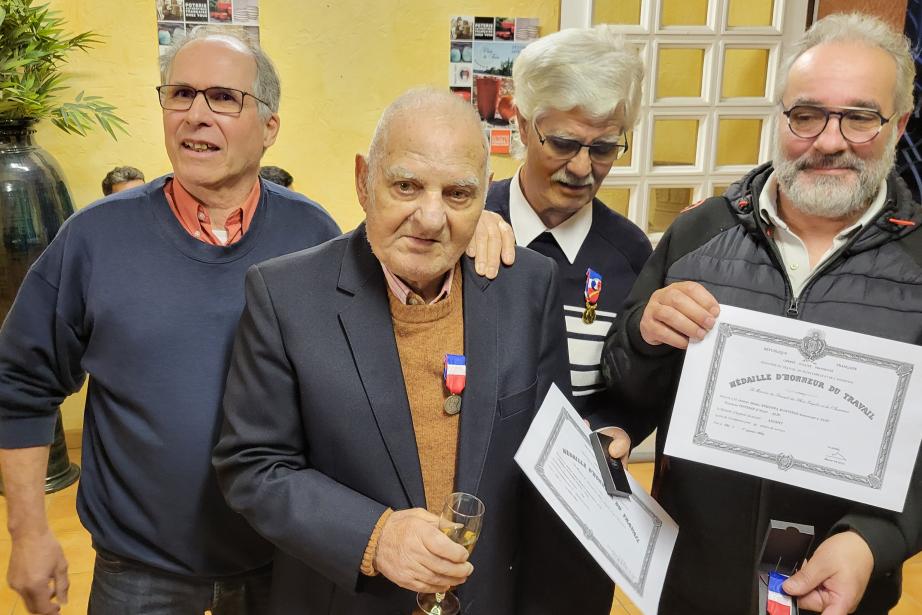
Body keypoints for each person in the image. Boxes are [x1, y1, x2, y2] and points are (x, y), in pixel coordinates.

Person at [213, 88, 614, 614]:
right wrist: (375, 537)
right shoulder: (285, 296)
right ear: (363, 180)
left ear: (485, 194)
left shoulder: (527, 287)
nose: (430, 218)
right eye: (406, 185)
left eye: (458, 194)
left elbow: (547, 458)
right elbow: (253, 466)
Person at [0, 28, 343, 615]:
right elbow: (19, 385)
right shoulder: (95, 238)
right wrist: (29, 534)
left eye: (223, 97)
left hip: (282, 562)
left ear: (269, 127)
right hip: (138, 574)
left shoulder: (312, 237)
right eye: (180, 94)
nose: (196, 115)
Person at [601, 13, 922, 615]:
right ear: (781, 118)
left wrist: (877, 540)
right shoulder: (699, 231)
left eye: (859, 117)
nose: (829, 141)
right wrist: (643, 334)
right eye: (806, 115)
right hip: (689, 582)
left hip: (839, 592)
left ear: (899, 124)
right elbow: (628, 388)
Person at [485, 25, 651, 424]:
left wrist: (620, 430)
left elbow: (634, 389)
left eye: (604, 148)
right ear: (523, 125)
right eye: (562, 143)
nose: (581, 168)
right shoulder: (466, 227)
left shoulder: (631, 255)